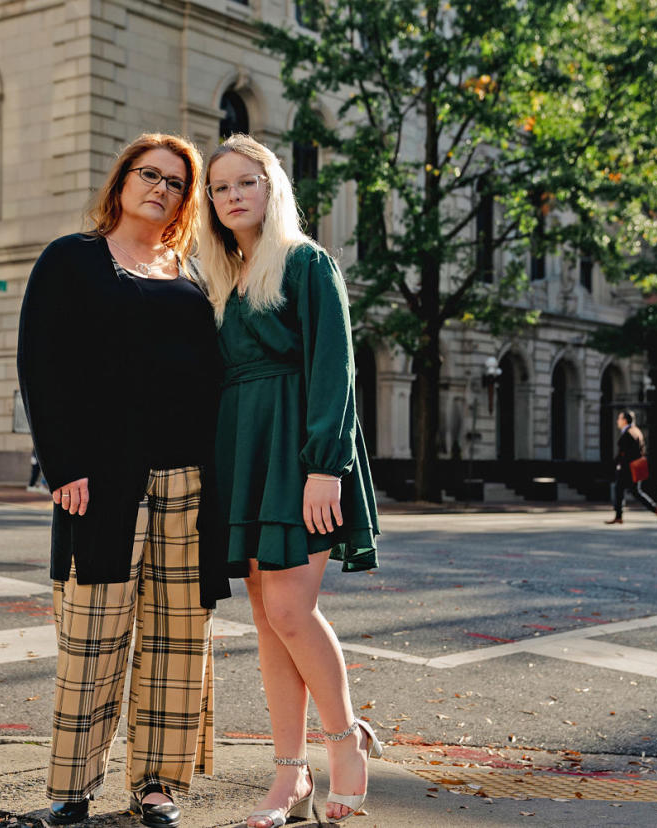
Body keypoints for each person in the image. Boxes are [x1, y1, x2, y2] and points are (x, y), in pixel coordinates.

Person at [16, 133, 229, 828]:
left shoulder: (191, 274)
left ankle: (158, 784)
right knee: (93, 635)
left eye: (176, 182)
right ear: (122, 181)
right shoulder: (72, 260)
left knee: (177, 639)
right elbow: (41, 366)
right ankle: (72, 788)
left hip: (190, 481)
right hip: (102, 481)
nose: (161, 188)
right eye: (150, 174)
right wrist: (63, 462)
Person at [197, 134, 381, 826]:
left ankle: (345, 744)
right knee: (268, 624)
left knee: (290, 611)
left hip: (300, 454)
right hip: (243, 452)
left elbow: (336, 367)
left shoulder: (305, 263)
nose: (232, 195)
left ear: (272, 188)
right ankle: (288, 776)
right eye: (220, 188)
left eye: (246, 182)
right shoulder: (223, 276)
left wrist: (324, 466)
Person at [606, 408, 657, 525]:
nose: (618, 421)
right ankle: (655, 510)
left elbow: (624, 452)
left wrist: (617, 463)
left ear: (625, 420)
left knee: (626, 490)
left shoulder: (629, 433)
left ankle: (655, 509)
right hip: (634, 467)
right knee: (628, 491)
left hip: (627, 468)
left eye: (619, 418)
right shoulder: (636, 430)